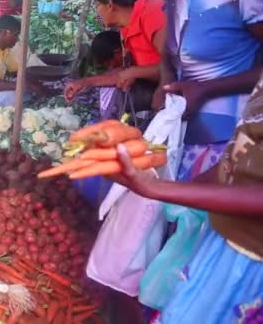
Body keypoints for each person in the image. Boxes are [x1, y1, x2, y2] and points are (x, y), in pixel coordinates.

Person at [109, 72, 263, 323]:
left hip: (251, 269)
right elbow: (244, 151)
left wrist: (156, 188)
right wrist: (191, 185)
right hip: (223, 243)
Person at [151, 0, 262, 183]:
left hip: (231, 143)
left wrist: (205, 89)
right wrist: (165, 85)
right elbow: (167, 55)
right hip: (182, 138)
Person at [64, 0, 166, 113]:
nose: (97, 12)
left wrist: (135, 72)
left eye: (97, 5)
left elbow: (177, 67)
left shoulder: (152, 12)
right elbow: (123, 74)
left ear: (110, 5)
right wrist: (83, 83)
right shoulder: (125, 30)